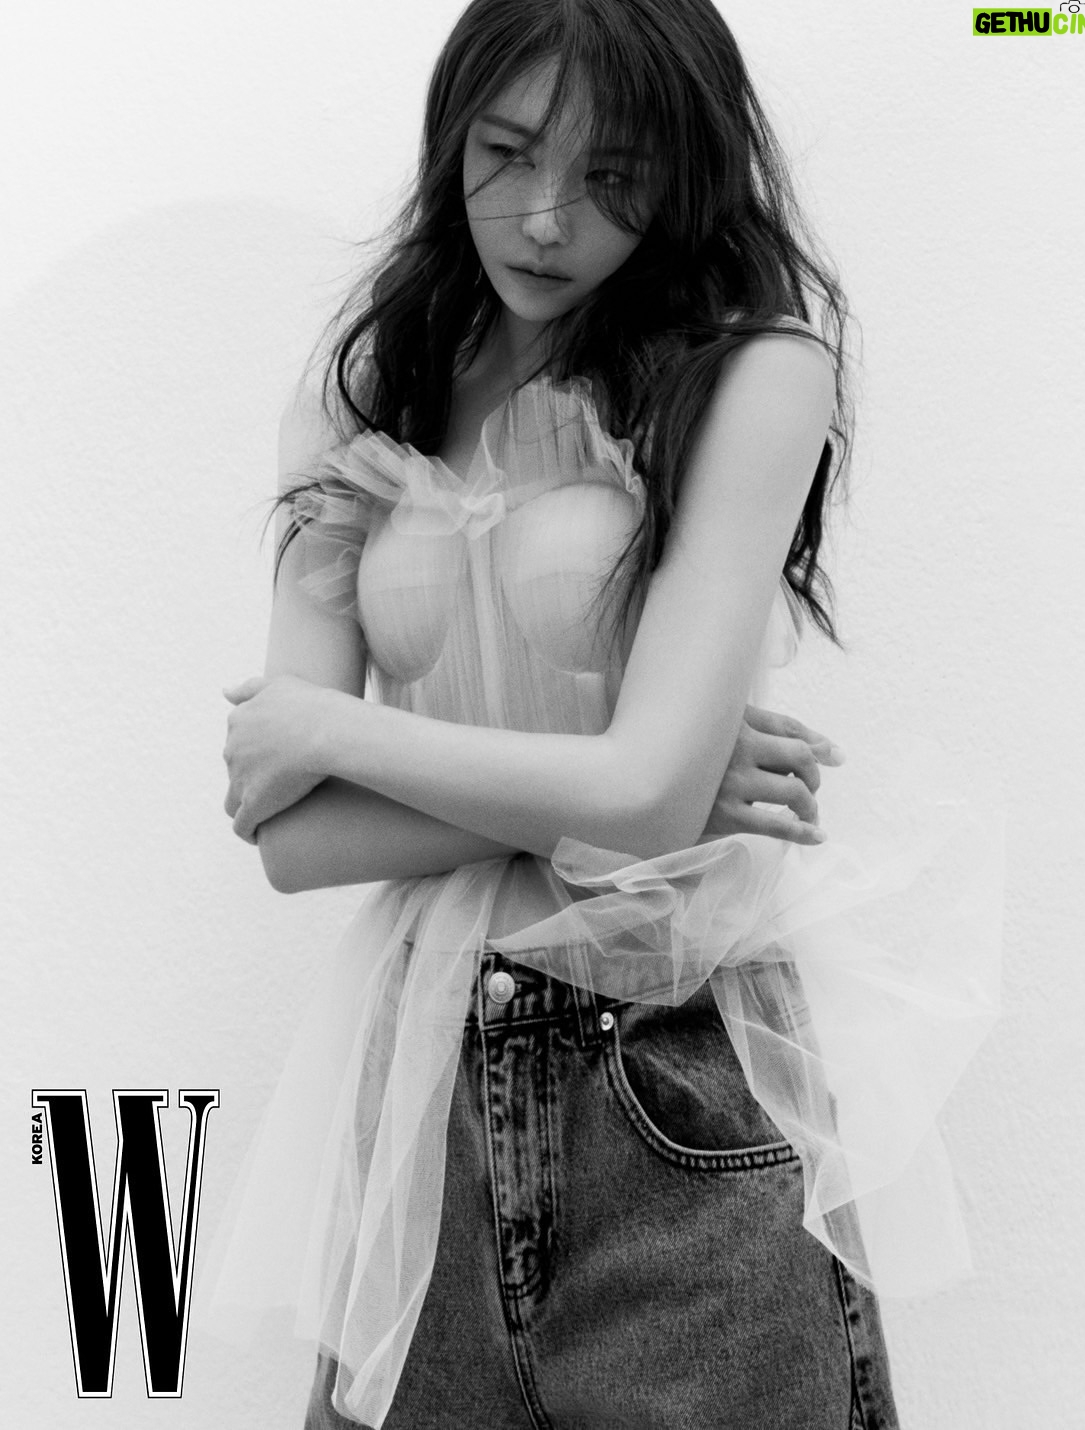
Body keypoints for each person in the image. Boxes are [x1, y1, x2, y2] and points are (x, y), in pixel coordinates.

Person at [210, 1, 1000, 1425]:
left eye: (612, 176)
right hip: (426, 1087)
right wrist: (641, 773)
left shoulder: (756, 373)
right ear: (452, 136)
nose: (544, 216)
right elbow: (296, 842)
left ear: (685, 175)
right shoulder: (367, 390)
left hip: (675, 1061)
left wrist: (330, 730)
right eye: (505, 152)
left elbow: (626, 801)